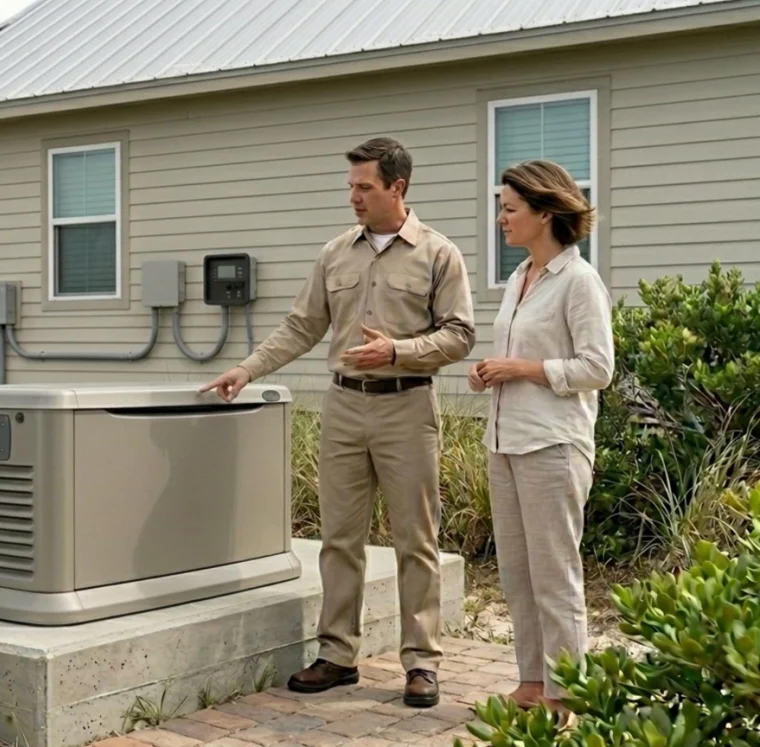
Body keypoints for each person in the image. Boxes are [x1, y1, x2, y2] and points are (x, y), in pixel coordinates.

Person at [200, 137, 476, 708]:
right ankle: (337, 655)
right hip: (344, 407)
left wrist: (397, 351)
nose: (352, 196)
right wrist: (247, 369)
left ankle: (421, 662)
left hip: (407, 406)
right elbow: (302, 326)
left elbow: (459, 335)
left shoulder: (438, 254)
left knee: (415, 540)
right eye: (350, 186)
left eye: (364, 187)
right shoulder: (335, 254)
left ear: (397, 188)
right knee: (339, 539)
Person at [468, 159, 614, 724]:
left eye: (509, 208)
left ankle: (566, 694)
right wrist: (488, 372)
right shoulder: (517, 279)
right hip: (504, 444)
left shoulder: (580, 281)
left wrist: (525, 368)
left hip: (553, 446)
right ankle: (531, 683)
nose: (500, 219)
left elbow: (598, 368)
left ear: (545, 213)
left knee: (555, 575)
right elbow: (514, 360)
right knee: (517, 574)